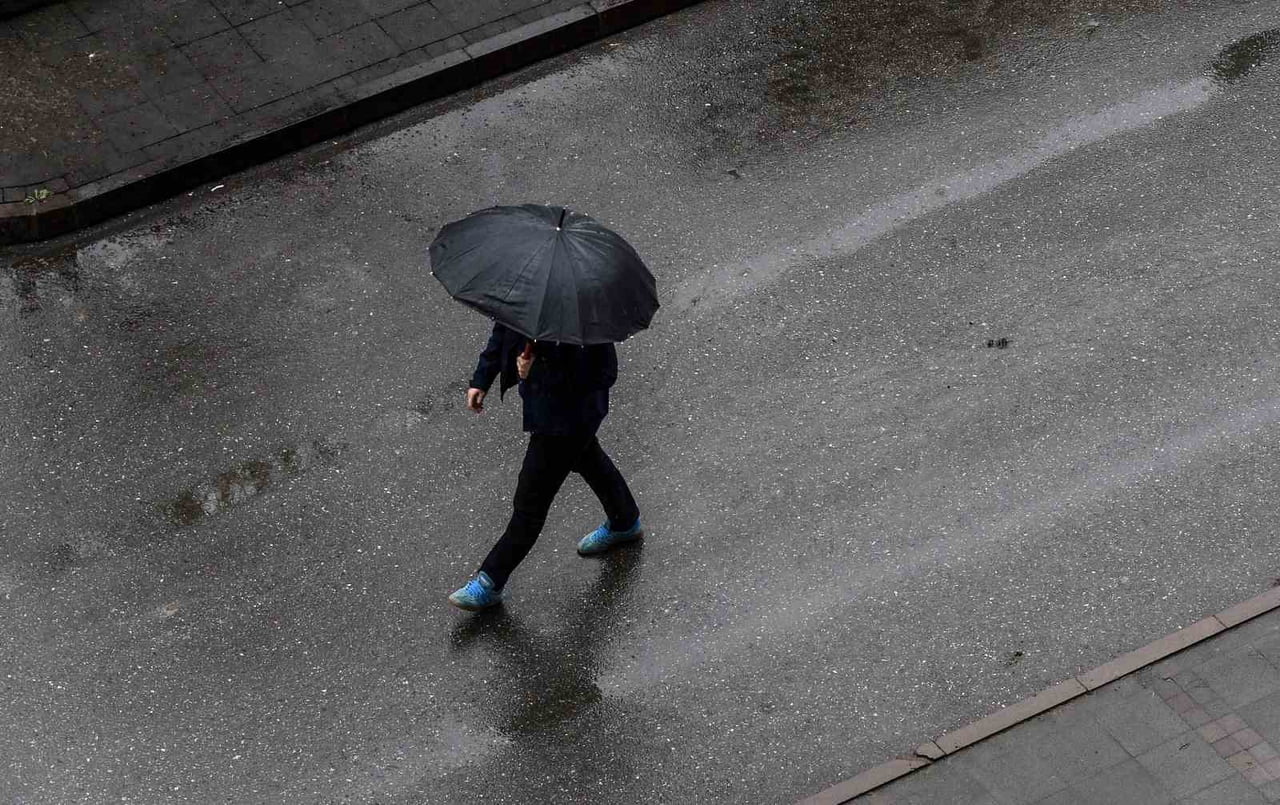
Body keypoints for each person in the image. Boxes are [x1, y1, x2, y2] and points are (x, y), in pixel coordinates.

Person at [448, 321, 642, 611]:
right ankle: (625, 520)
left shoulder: (584, 316)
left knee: (530, 503)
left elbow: (602, 373)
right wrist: (482, 379)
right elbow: (504, 330)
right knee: (589, 460)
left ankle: (490, 581)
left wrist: (538, 368)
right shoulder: (528, 295)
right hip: (547, 412)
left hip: (570, 419)